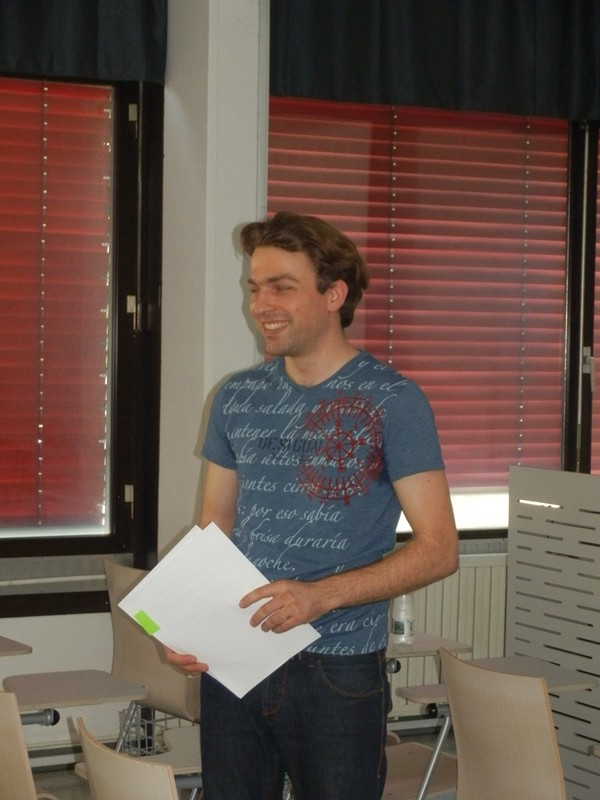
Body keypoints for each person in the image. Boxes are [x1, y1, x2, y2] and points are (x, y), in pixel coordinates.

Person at [167, 211, 459, 800]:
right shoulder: (237, 396)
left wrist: (319, 597)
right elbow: (216, 523)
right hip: (236, 654)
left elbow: (439, 549)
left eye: (281, 287)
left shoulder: (394, 400)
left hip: (338, 669)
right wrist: (189, 623)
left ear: (334, 295)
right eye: (254, 287)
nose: (260, 305)